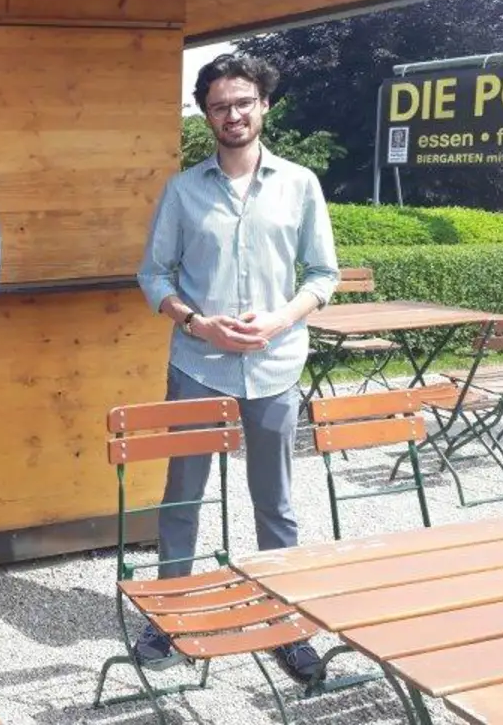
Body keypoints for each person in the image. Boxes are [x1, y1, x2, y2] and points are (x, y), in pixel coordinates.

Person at [133, 53, 339, 681]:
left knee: (274, 500)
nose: (233, 114)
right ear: (206, 114)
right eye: (220, 105)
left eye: (243, 102)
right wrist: (197, 322)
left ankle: (284, 619)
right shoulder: (183, 189)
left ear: (264, 105)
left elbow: (323, 275)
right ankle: (169, 613)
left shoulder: (300, 184)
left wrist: (280, 320)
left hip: (276, 364)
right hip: (198, 365)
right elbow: (152, 275)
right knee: (182, 497)